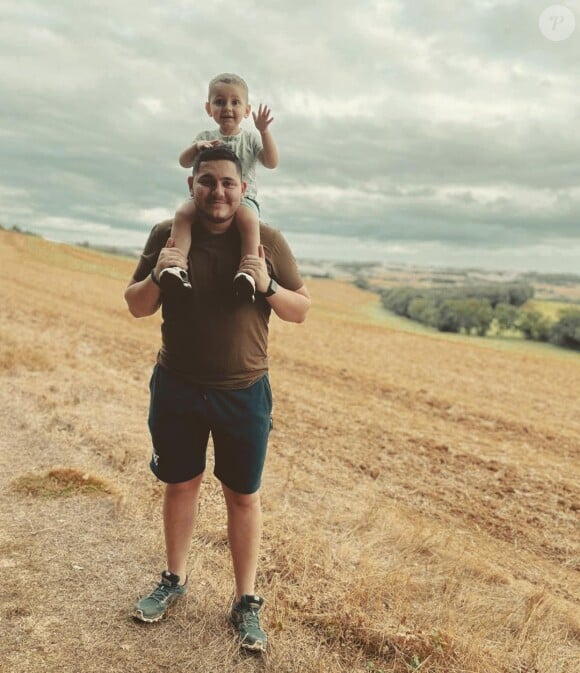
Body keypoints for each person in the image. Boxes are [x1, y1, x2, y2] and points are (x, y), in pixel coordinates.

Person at [124, 144, 310, 652]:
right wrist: (160, 271)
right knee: (181, 485)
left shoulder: (266, 239)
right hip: (177, 387)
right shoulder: (167, 235)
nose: (217, 191)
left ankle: (246, 601)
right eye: (207, 181)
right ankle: (174, 579)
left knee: (243, 497)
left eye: (228, 183)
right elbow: (136, 305)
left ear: (243, 189)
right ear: (192, 186)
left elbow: (300, 310)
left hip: (244, 393)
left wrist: (268, 284)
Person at [161, 72, 279, 303]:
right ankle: (176, 266)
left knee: (248, 219)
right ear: (209, 108)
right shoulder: (204, 137)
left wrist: (265, 131)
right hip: (205, 199)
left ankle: (248, 272)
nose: (227, 107)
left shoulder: (251, 139)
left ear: (247, 110)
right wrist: (196, 147)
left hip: (243, 200)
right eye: (219, 101)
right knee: (183, 213)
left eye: (236, 102)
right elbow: (184, 162)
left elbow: (271, 162)